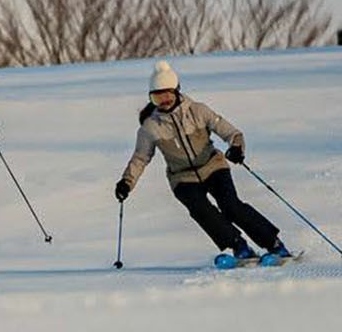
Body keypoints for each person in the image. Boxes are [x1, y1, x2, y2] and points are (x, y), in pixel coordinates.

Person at [114, 61, 290, 268]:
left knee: (231, 206)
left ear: (178, 91)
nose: (164, 101)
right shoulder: (150, 128)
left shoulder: (198, 111)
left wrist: (236, 148)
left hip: (213, 167)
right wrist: (127, 182)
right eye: (157, 97)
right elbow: (140, 158)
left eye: (168, 94)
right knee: (200, 210)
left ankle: (274, 244)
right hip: (182, 178)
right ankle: (239, 246)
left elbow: (231, 133)